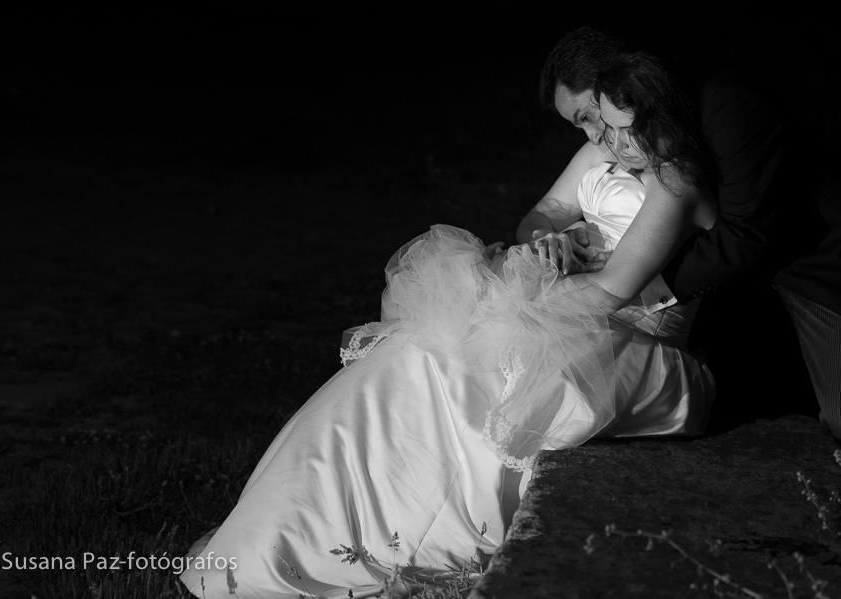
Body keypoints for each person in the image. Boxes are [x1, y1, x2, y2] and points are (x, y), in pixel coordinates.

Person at [179, 54, 716, 598]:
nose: (609, 143)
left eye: (619, 129)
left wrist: (516, 296)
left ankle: (393, 537)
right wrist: (549, 243)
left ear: (656, 117)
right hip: (579, 310)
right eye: (594, 123)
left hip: (630, 336)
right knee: (417, 353)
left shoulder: (674, 181)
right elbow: (546, 213)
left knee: (474, 368)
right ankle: (289, 527)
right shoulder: (609, 155)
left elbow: (613, 288)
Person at [521, 26, 841, 435]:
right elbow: (546, 214)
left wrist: (634, 274)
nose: (592, 134)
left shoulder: (720, 115)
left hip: (813, 256)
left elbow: (745, 236)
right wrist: (558, 243)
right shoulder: (617, 141)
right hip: (631, 298)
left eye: (587, 116)